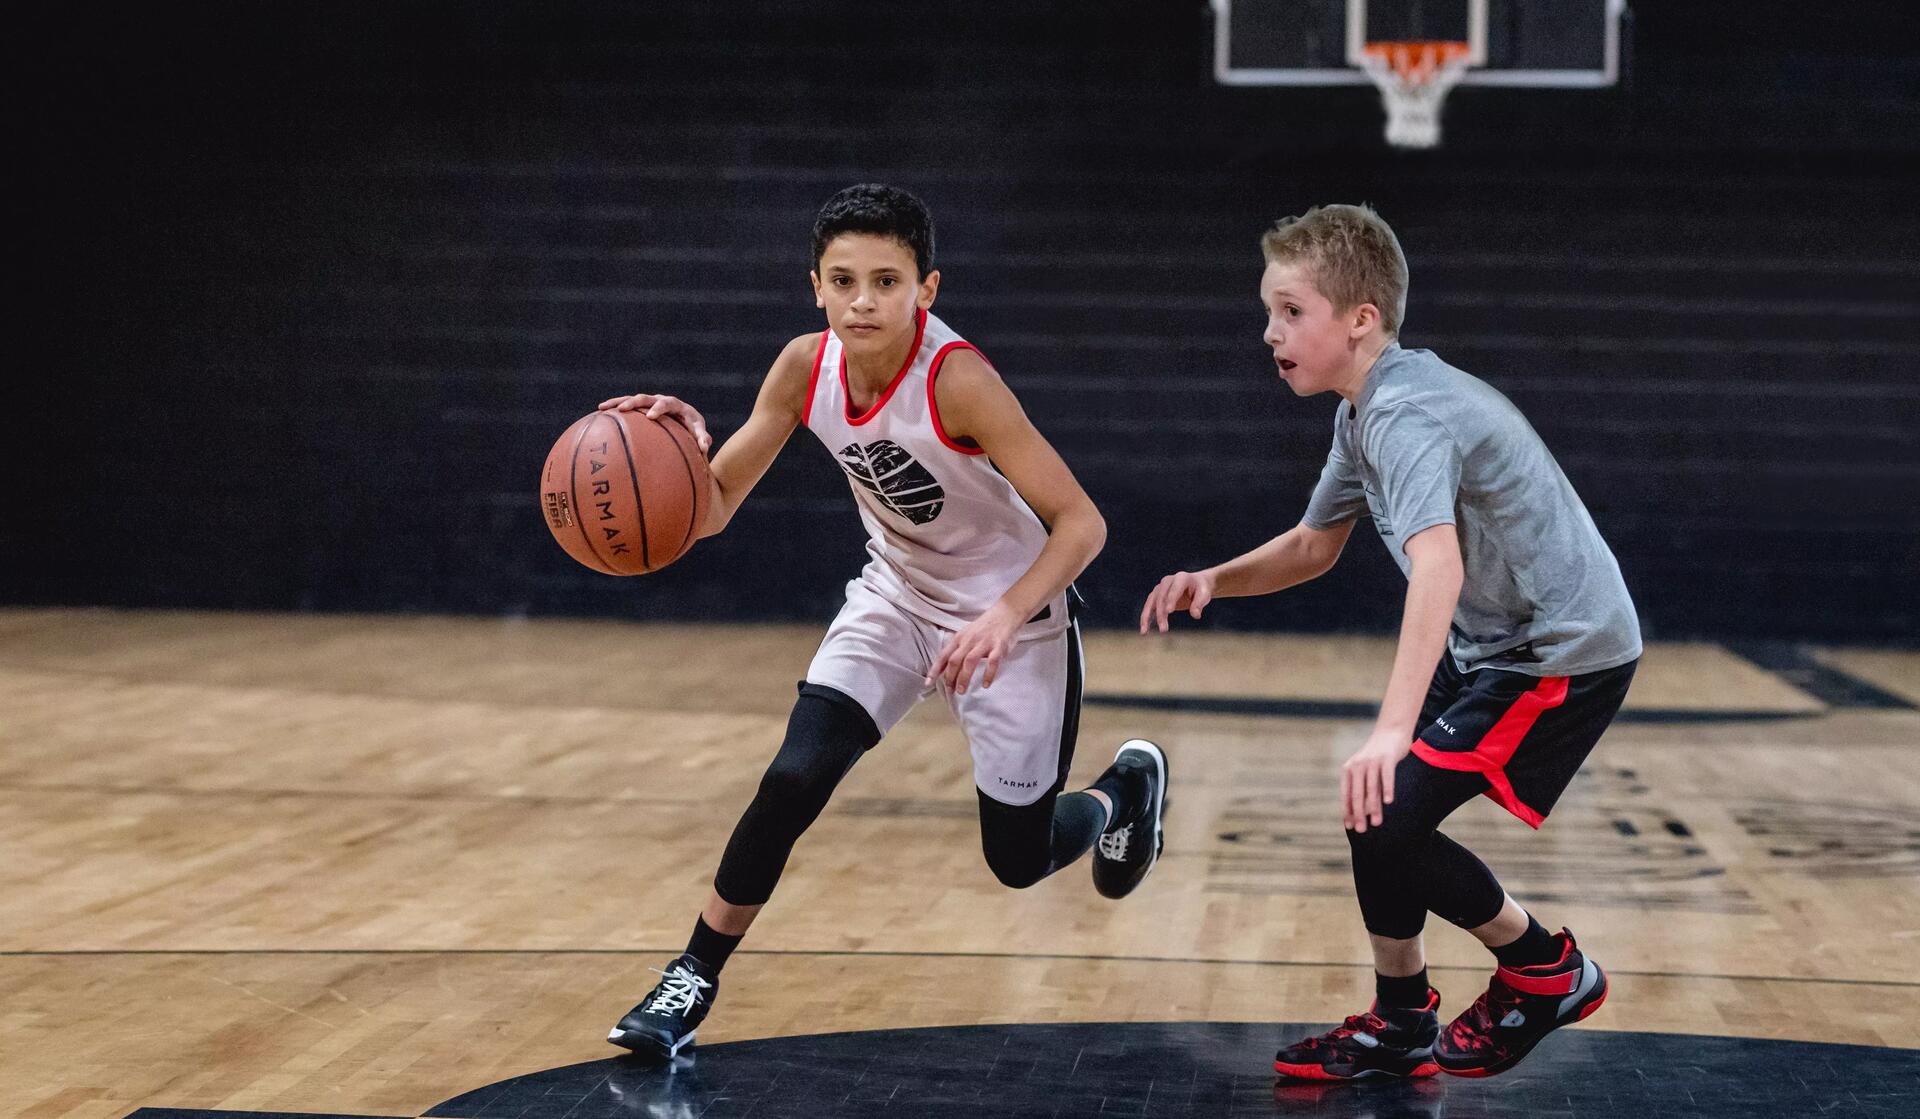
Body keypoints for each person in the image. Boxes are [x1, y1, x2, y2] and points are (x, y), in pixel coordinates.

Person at [601, 183, 1170, 1061]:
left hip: (1011, 616)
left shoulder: (961, 381)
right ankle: (690, 977)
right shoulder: (803, 366)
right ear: (816, 287)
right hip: (896, 596)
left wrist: (1005, 614)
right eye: (843, 280)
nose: (862, 300)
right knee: (793, 777)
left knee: (1017, 860)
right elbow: (710, 508)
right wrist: (676, 451)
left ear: (926, 290)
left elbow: (1083, 522)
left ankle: (1123, 791)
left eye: (886, 281)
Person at [1141, 204, 1639, 1081]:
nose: (1270, 332)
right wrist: (1214, 578)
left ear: (1361, 319)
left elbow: (1436, 567)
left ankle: (1547, 968)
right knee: (1377, 810)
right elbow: (1312, 545)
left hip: (1562, 649)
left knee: (1391, 800)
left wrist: (1387, 728)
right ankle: (1402, 1016)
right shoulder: (1362, 410)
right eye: (1270, 312)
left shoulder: (1406, 412)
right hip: (1496, 641)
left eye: (1291, 311)